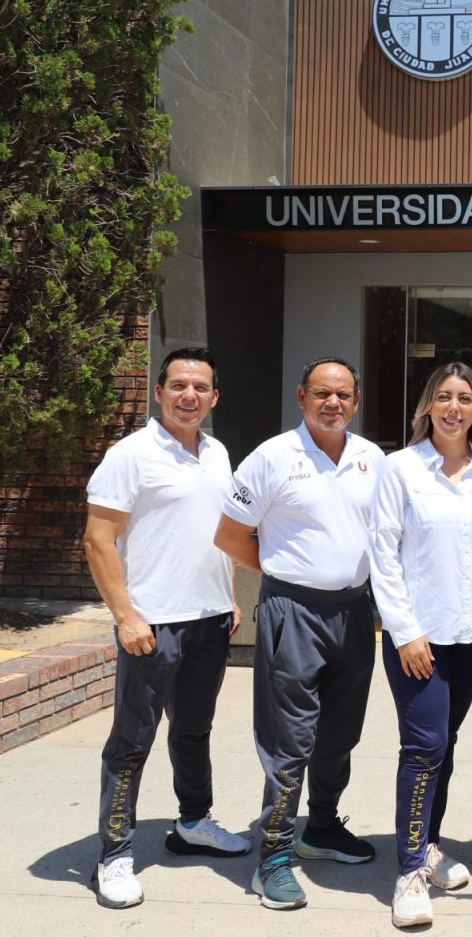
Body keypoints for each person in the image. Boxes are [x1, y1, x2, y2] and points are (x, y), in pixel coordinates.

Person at [214, 357, 385, 911]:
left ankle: (322, 827)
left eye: (343, 394)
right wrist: (284, 573)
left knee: (340, 734)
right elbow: (231, 536)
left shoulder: (372, 458)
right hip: (293, 611)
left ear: (356, 401)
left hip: (354, 613)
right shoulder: (272, 457)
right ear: (301, 397)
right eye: (321, 393)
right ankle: (274, 856)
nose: (332, 403)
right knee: (290, 740)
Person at [83, 348, 250, 909]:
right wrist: (125, 616)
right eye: (178, 385)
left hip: (209, 620)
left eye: (200, 387)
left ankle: (193, 822)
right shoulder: (130, 455)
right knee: (132, 742)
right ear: (159, 393)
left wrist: (229, 596)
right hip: (152, 624)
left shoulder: (217, 452)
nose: (189, 396)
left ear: (214, 396)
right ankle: (114, 853)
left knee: (193, 731)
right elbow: (98, 540)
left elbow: (220, 531)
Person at [368, 363, 472, 928]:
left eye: (464, 398)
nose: (453, 408)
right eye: (443, 397)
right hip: (421, 637)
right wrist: (404, 631)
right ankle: (410, 870)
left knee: (446, 742)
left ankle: (429, 844)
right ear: (428, 406)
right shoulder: (400, 468)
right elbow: (382, 553)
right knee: (425, 745)